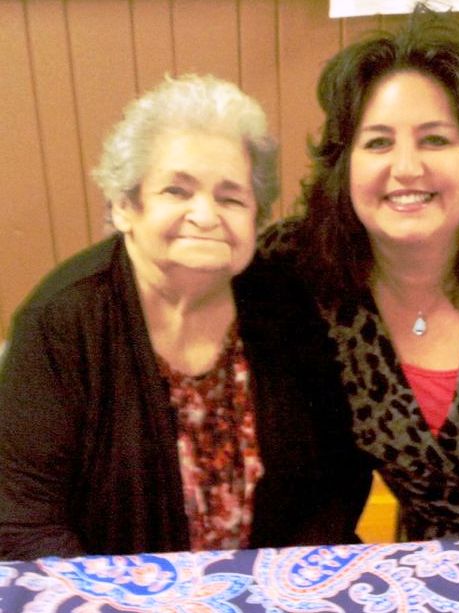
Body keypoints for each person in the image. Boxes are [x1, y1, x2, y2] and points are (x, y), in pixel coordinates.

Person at [0, 73, 370, 561]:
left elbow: (338, 476)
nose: (206, 216)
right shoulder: (61, 323)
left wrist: (283, 582)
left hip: (274, 585)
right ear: (125, 206)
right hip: (115, 591)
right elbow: (25, 519)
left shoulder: (287, 303)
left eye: (230, 197)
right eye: (177, 191)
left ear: (255, 217)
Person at [258, 4, 459, 541]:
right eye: (378, 142)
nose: (406, 168)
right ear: (344, 165)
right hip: (423, 564)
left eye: (435, 139)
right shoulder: (303, 266)